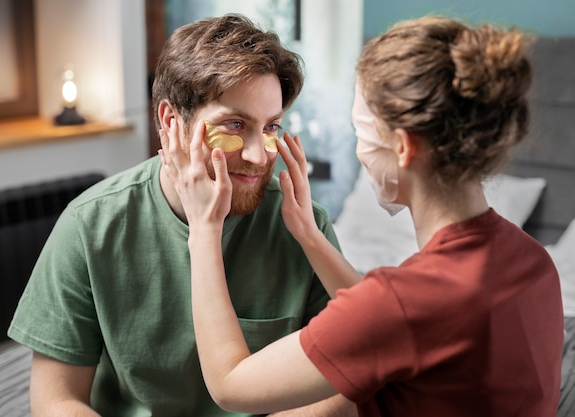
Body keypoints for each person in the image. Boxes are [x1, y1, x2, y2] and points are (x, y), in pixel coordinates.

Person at [159, 15, 564, 417]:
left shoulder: (404, 303)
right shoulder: (533, 262)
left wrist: (204, 228)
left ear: (402, 147)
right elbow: (389, 320)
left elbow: (231, 386)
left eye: (363, 132)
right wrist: (309, 236)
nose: (360, 152)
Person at [7, 14, 357, 417]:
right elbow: (56, 399)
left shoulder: (303, 225)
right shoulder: (90, 225)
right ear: (171, 122)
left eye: (271, 127)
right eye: (235, 124)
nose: (260, 156)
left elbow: (345, 381)